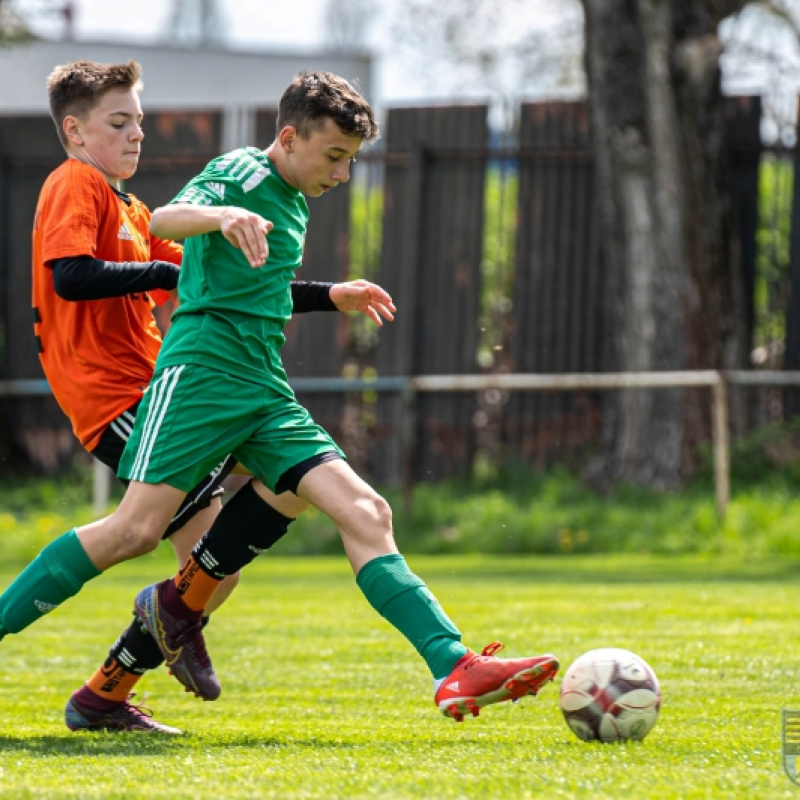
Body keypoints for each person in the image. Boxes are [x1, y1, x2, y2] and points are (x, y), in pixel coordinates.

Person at [129, 70, 560, 723]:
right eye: (335, 156)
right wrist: (220, 213)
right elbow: (163, 218)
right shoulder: (245, 172)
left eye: (352, 160)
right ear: (290, 137)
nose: (343, 174)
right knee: (124, 534)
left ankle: (453, 666)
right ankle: (125, 662)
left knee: (367, 512)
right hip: (201, 380)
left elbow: (267, 290)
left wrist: (334, 294)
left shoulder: (294, 199)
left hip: (262, 391)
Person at [19, 59, 395, 735]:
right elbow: (72, 277)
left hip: (157, 387)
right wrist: (169, 263)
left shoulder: (134, 210)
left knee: (213, 569)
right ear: (74, 132)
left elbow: (220, 290)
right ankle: (164, 629)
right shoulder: (75, 182)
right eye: (118, 121)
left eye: (138, 118)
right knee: (147, 535)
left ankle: (113, 687)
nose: (137, 133)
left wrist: (328, 295)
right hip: (118, 399)